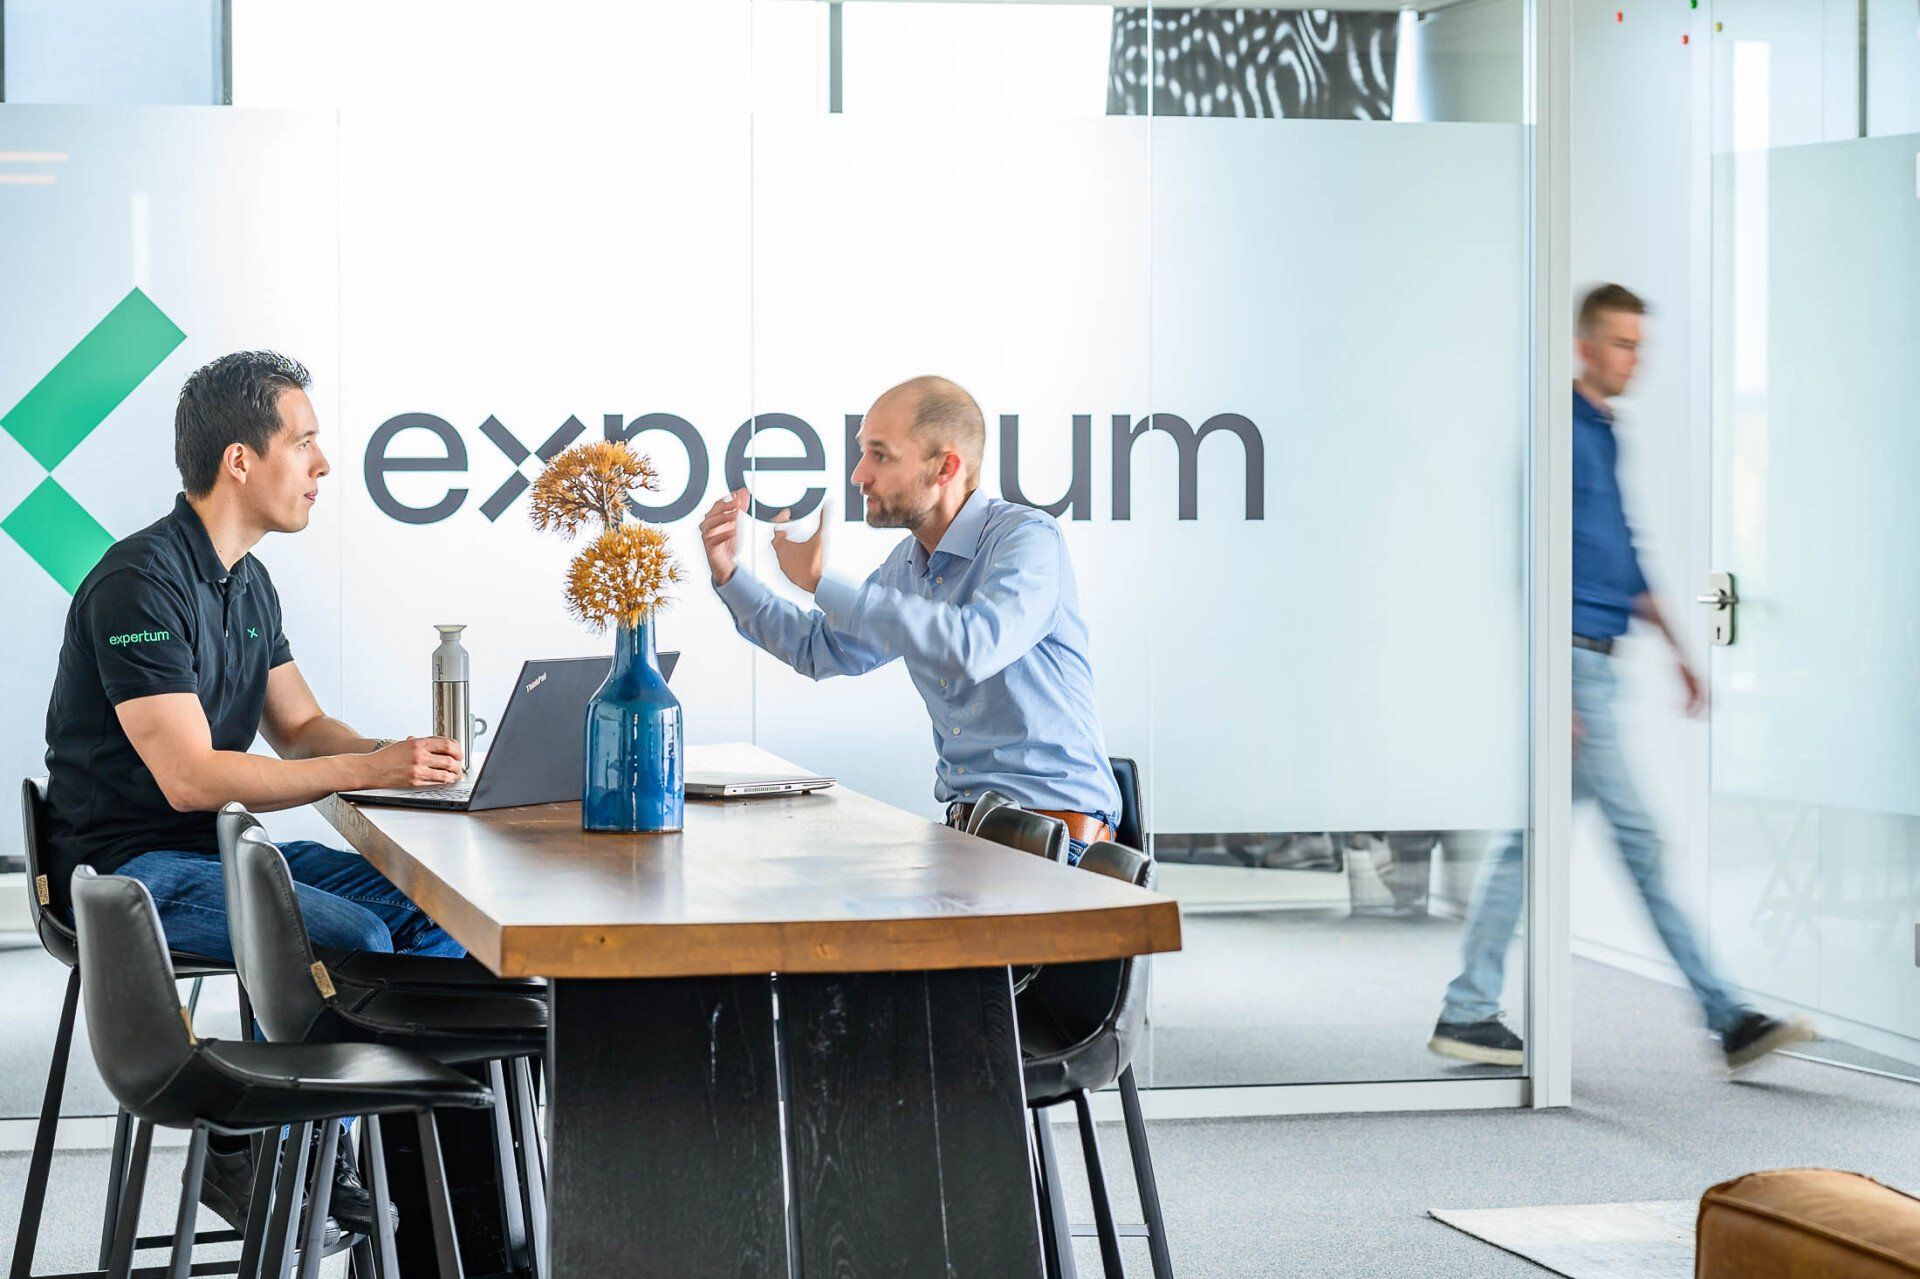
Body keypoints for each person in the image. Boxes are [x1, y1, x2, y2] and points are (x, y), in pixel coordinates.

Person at [42, 350, 466, 1235]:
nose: (321, 466)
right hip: (132, 874)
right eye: (304, 443)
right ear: (241, 459)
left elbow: (304, 729)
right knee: (355, 935)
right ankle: (280, 1155)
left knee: (434, 913)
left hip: (209, 853)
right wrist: (366, 771)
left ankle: (401, 1167)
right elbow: (192, 777)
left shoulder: (250, 581)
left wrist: (404, 754)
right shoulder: (139, 582)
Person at [1428, 285, 1812, 1074]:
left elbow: (1624, 555)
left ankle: (1468, 1007)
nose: (1635, 359)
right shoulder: (1562, 433)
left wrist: (1676, 647)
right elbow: (1535, 561)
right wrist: (1559, 688)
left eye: (1641, 344)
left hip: (1599, 660)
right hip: (1575, 666)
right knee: (1638, 843)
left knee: (1525, 843)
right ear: (1585, 345)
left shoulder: (1603, 433)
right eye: (1623, 343)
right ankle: (1727, 1013)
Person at [700, 375, 1121, 858]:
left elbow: (972, 647)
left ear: (945, 467)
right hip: (970, 837)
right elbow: (822, 650)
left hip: (1055, 843)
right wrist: (730, 573)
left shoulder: (1027, 539)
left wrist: (822, 582)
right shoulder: (907, 564)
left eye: (880, 454)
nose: (859, 474)